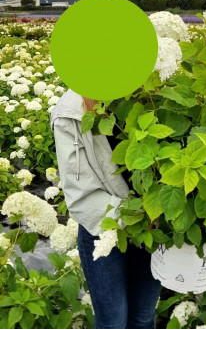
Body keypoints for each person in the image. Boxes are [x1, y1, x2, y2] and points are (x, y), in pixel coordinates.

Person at [50, 88, 162, 329]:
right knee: (113, 322)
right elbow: (82, 197)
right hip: (103, 230)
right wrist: (139, 216)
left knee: (143, 316)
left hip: (153, 230)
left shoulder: (156, 95)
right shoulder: (72, 111)